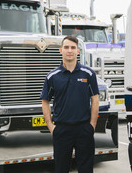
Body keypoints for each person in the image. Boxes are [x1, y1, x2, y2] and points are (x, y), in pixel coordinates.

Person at [40, 36, 99, 173]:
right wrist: (51, 126)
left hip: (84, 129)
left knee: (86, 169)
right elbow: (45, 101)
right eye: (66, 47)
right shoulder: (52, 76)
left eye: (73, 47)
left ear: (78, 51)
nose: (69, 50)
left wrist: (92, 125)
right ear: (61, 50)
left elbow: (95, 100)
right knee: (61, 169)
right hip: (62, 130)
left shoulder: (88, 74)